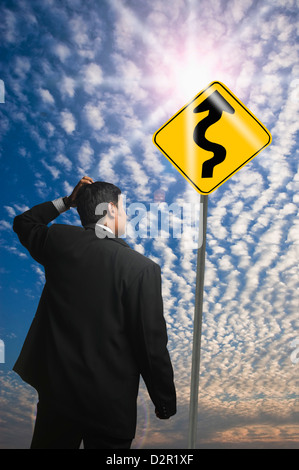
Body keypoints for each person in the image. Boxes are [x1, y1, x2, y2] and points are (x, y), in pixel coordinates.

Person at [13, 176, 176, 449]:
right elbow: (151, 345)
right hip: (110, 409)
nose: (124, 215)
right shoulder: (142, 269)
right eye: (123, 208)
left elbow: (24, 222)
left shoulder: (59, 241)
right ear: (111, 209)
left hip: (57, 402)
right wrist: (164, 401)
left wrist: (67, 202)